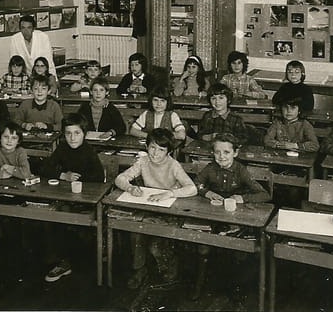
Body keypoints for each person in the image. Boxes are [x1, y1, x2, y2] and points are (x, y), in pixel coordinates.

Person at [115, 128, 197, 290]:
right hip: (149, 207)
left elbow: (192, 188)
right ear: (147, 147)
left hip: (169, 210)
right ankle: (140, 269)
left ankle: (170, 269)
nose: (155, 153)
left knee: (156, 245)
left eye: (161, 150)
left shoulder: (173, 165)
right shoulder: (143, 161)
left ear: (169, 152)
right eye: (152, 147)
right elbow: (120, 178)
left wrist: (169, 193)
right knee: (136, 233)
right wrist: (130, 187)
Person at [192, 133, 270, 300]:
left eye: (226, 152)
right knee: (203, 244)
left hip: (237, 218)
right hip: (215, 216)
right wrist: (207, 193)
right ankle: (201, 283)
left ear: (235, 153)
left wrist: (242, 198)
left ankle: (235, 286)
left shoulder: (241, 170)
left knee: (238, 250)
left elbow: (265, 195)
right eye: (217, 152)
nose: (221, 156)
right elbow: (196, 184)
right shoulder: (210, 168)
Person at [39, 114, 104, 282]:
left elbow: (98, 177)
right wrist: (63, 175)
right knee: (51, 213)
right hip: (66, 196)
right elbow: (45, 167)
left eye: (77, 133)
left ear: (84, 134)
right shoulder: (62, 148)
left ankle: (65, 261)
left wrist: (78, 180)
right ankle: (60, 257)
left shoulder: (89, 151)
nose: (72, 138)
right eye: (68, 133)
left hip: (85, 200)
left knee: (63, 216)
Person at [10, 14, 57, 79]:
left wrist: (54, 79)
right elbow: (14, 62)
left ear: (33, 29)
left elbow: (48, 61)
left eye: (29, 28)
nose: (26, 31)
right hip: (25, 77)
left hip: (43, 75)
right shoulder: (15, 39)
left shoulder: (43, 37)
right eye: (23, 28)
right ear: (20, 29)